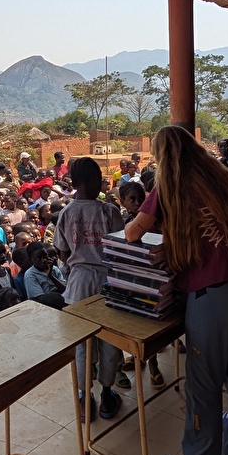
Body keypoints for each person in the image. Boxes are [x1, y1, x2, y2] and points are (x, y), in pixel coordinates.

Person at [125, 125, 228, 455]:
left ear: (162, 156)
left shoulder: (169, 187)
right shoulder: (224, 180)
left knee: (203, 388)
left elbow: (133, 235)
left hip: (216, 298)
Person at [53, 156, 130, 417]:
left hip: (77, 286)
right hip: (108, 284)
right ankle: (107, 396)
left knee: (82, 344)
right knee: (110, 342)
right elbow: (121, 252)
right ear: (91, 181)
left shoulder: (65, 213)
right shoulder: (108, 211)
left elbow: (62, 252)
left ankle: (85, 397)